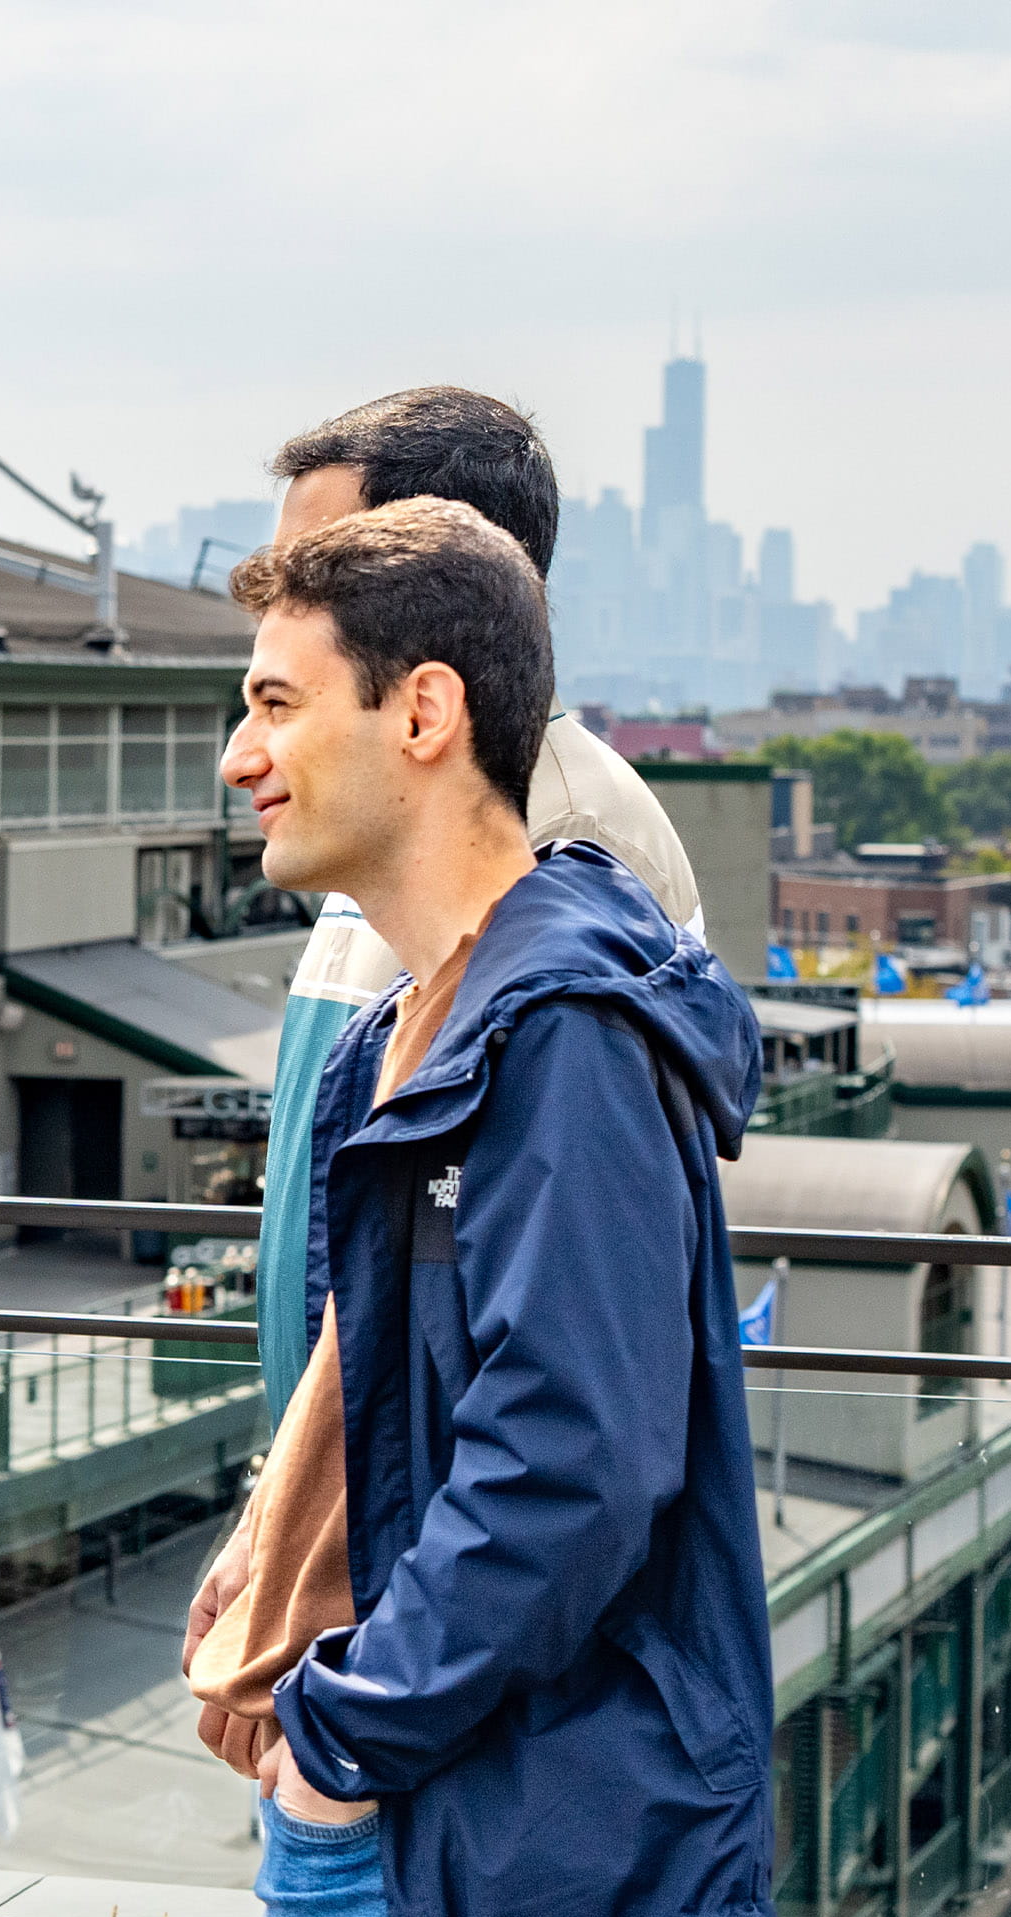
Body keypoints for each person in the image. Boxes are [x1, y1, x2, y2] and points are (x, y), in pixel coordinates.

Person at [182, 497, 775, 1917]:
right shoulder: (418, 1025)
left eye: (276, 703)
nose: (240, 757)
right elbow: (403, 1393)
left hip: (443, 1817)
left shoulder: (560, 1031)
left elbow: (572, 1455)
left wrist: (351, 1735)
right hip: (409, 1799)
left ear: (425, 711)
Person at [236, 387, 703, 1438]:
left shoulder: (570, 839)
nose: (284, 607)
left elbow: (563, 1376)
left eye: (323, 565)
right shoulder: (388, 814)